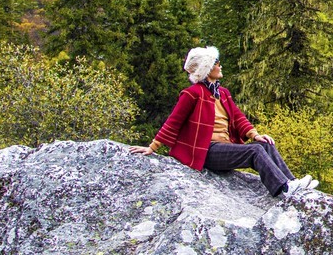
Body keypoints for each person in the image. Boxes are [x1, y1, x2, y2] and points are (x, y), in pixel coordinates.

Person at [129, 46, 318, 197]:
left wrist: (255, 135)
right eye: (217, 63)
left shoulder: (223, 93)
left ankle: (293, 184)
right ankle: (283, 188)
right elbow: (173, 122)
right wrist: (152, 148)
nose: (220, 66)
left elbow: (237, 117)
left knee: (264, 144)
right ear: (207, 68)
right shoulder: (191, 94)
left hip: (224, 148)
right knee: (255, 150)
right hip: (207, 152)